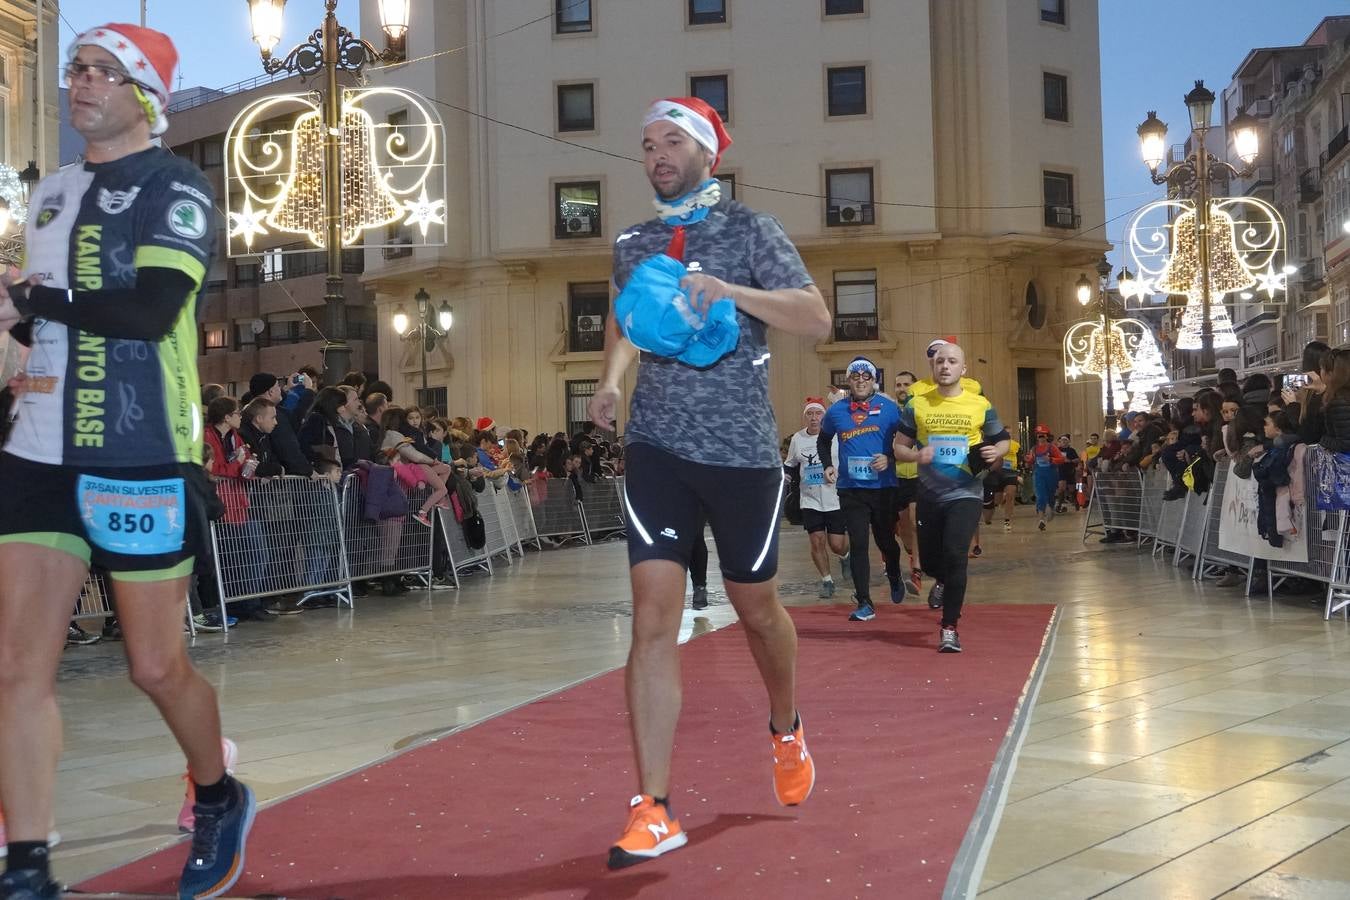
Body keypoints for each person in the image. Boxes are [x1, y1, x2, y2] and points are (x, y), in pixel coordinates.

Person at [0, 23, 253, 899]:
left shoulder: (175, 186)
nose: (80, 84)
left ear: (145, 95)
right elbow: (52, 321)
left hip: (139, 450)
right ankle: (28, 862)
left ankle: (218, 793)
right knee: (17, 668)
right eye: (76, 68)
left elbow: (150, 311)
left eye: (103, 73)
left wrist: (39, 297)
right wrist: (16, 316)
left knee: (154, 666)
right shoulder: (51, 193)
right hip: (38, 449)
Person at [588, 95, 829, 869]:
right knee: (652, 617)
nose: (655, 154)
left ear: (706, 153)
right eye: (647, 143)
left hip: (741, 453)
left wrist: (734, 293)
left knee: (758, 611)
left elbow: (815, 318)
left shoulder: (752, 230)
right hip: (657, 446)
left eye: (670, 142)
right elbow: (625, 318)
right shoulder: (632, 240)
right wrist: (611, 380)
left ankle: (786, 727)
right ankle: (653, 807)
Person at [894, 339, 1010, 653]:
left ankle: (949, 628)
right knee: (932, 561)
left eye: (952, 362)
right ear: (932, 367)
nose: (945, 366)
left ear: (963, 368)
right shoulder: (916, 405)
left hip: (965, 493)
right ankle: (941, 580)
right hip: (929, 494)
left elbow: (1003, 440)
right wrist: (916, 456)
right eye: (940, 361)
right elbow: (899, 447)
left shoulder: (980, 404)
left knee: (956, 554)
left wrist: (993, 450)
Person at [818, 357, 905, 621]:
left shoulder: (889, 409)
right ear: (849, 381)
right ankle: (865, 602)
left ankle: (894, 573)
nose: (860, 381)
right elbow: (823, 441)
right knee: (858, 544)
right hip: (851, 488)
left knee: (886, 540)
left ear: (873, 381)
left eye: (865, 377)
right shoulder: (836, 412)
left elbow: (905, 441)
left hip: (883, 487)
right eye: (854, 377)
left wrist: (890, 457)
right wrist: (827, 466)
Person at [784, 398, 848, 599]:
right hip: (810, 499)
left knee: (836, 544)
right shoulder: (798, 439)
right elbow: (791, 463)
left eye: (818, 413)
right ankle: (827, 581)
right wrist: (785, 475)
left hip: (835, 498)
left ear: (824, 416)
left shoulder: (836, 438)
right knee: (817, 541)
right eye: (809, 414)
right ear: (805, 417)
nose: (814, 418)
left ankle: (845, 556)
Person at [892, 370, 921, 595]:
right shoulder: (891, 412)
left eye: (906, 385)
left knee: (914, 520)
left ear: (915, 386)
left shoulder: (920, 409)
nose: (902, 388)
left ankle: (918, 571)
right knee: (903, 527)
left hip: (919, 475)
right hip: (896, 475)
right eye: (898, 385)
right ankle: (912, 554)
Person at [1025, 425, 1065, 530]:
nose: (1041, 437)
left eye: (1043, 435)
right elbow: (1030, 462)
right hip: (1039, 475)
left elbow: (1061, 460)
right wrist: (1028, 460)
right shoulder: (1034, 449)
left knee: (1050, 495)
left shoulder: (1052, 447)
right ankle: (1041, 519)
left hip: (1051, 475)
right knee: (1040, 496)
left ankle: (1051, 507)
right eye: (1039, 436)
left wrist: (1051, 459)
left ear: (1047, 436)